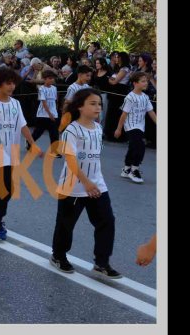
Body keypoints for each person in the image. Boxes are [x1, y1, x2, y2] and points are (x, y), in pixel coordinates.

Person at [50, 88, 122, 279]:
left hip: (97, 185)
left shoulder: (98, 128)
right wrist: (86, 183)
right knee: (66, 225)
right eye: (92, 103)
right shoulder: (71, 130)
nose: (98, 107)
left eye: (99, 104)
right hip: (73, 187)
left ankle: (102, 262)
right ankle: (58, 256)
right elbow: (71, 159)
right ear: (80, 107)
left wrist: (93, 182)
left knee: (107, 221)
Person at [0, 68, 42, 241]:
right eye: (8, 83)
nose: (12, 86)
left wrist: (33, 143)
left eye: (13, 83)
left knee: (0, 185)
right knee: (6, 187)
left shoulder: (15, 104)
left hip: (11, 150)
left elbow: (23, 125)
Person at [115, 72, 157, 184]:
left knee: (133, 147)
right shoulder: (130, 97)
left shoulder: (145, 97)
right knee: (140, 146)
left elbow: (151, 112)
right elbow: (124, 114)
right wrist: (119, 128)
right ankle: (134, 169)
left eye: (146, 81)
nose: (146, 83)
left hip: (140, 126)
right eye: (143, 81)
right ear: (135, 83)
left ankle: (126, 169)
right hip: (131, 126)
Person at [30, 70, 61, 157]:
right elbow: (44, 103)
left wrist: (55, 112)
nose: (52, 80)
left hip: (54, 114)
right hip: (43, 114)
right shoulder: (41, 89)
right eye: (49, 78)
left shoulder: (54, 88)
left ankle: (54, 151)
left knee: (54, 133)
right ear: (44, 79)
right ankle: (29, 143)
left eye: (53, 78)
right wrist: (50, 114)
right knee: (38, 132)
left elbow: (55, 100)